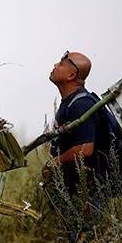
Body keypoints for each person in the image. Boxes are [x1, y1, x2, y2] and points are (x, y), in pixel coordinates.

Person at [42, 51, 111, 202]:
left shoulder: (81, 104)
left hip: (88, 190)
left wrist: (55, 162)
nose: (55, 65)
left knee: (85, 224)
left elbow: (85, 149)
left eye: (60, 64)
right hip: (76, 183)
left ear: (71, 76)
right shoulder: (70, 102)